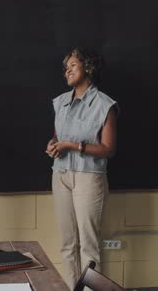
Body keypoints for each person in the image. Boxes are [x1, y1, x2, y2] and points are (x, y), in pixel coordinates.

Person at [45, 47, 118, 288]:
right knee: (67, 243)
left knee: (89, 245)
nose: (67, 70)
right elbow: (57, 137)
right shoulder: (60, 102)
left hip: (89, 178)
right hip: (61, 175)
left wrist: (74, 146)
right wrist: (53, 146)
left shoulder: (104, 105)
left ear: (88, 68)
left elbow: (108, 148)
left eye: (73, 65)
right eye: (66, 67)